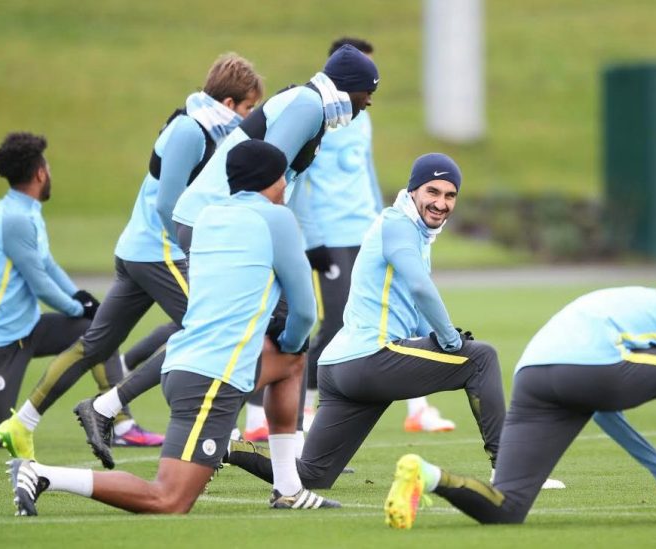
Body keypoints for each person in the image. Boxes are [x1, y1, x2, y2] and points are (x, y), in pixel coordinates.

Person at [73, 43, 381, 463]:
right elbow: (266, 171)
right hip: (216, 221)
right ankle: (285, 464)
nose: (369, 102)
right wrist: (280, 239)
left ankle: (119, 408)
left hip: (218, 219)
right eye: (368, 92)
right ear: (351, 87)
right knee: (254, 330)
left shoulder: (312, 106)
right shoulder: (308, 105)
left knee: (254, 332)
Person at [8, 140, 338, 516]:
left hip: (183, 363)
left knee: (291, 363)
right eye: (282, 176)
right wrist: (294, 339)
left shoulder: (211, 216)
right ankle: (42, 475)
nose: (285, 185)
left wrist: (291, 349)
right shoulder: (277, 218)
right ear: (271, 180)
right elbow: (305, 311)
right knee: (169, 500)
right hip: (211, 379)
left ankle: (289, 489)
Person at [0, 53, 263, 459]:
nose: (249, 117)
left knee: (94, 347)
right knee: (217, 329)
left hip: (138, 252)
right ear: (228, 105)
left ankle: (22, 423)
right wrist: (203, 250)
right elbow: (168, 203)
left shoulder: (206, 127)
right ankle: (205, 432)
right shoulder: (190, 131)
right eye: (248, 108)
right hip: (159, 253)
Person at [224, 153, 511, 490]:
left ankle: (226, 447)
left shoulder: (412, 229)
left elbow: (413, 307)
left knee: (312, 475)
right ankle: (509, 472)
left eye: (450, 195)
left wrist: (436, 334)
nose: (441, 203)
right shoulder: (398, 224)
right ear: (413, 190)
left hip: (339, 367)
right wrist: (450, 339)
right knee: (481, 358)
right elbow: (421, 287)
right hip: (370, 359)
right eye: (432, 192)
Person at [384, 273, 656, 528]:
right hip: (592, 370)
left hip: (532, 375)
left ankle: (427, 476)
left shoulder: (628, 296)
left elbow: (605, 412)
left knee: (507, 507)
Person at [243, 36, 454, 441]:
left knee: (402, 311)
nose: (370, 92)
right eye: (363, 77)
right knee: (335, 322)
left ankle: (419, 407)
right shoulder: (319, 116)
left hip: (366, 233)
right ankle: (275, 412)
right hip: (331, 238)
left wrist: (386, 219)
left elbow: (366, 175)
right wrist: (314, 240)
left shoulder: (362, 119)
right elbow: (298, 182)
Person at [0, 132, 118, 450]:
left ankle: (118, 421)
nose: (50, 172)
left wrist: (80, 298)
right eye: (48, 167)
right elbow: (39, 284)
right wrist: (75, 307)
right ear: (40, 173)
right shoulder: (14, 218)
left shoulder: (27, 210)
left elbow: (48, 265)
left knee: (95, 330)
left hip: (26, 329)